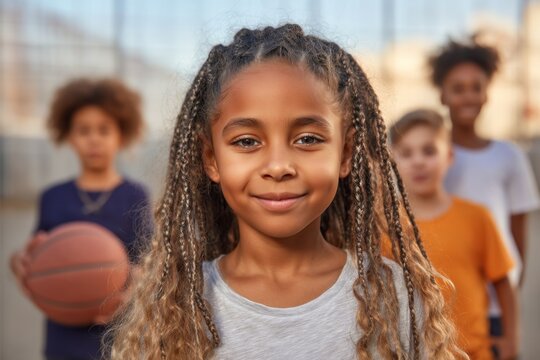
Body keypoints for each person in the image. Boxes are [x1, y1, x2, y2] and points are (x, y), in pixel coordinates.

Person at [109, 24, 461, 360]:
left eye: (308, 139)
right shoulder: (176, 307)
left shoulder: (392, 295)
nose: (278, 166)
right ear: (211, 158)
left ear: (346, 153)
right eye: (247, 141)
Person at [9, 78, 153, 360]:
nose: (94, 139)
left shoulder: (135, 195)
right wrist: (17, 263)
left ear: (121, 136)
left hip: (120, 333)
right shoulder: (52, 197)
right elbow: (36, 258)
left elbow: (150, 260)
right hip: (63, 335)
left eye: (104, 130)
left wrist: (136, 285)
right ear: (69, 137)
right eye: (84, 130)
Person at [430, 38, 540, 338]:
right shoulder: (428, 156)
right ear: (442, 95)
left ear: (486, 95)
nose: (468, 97)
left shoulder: (509, 156)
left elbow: (518, 235)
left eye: (476, 87)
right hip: (442, 297)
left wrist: (510, 293)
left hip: (493, 302)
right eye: (458, 88)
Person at [387, 109, 517, 359]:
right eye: (406, 153)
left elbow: (503, 281)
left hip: (475, 353)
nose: (418, 162)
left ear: (448, 156)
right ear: (392, 160)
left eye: (429, 151)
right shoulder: (385, 227)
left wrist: (511, 339)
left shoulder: (477, 217)